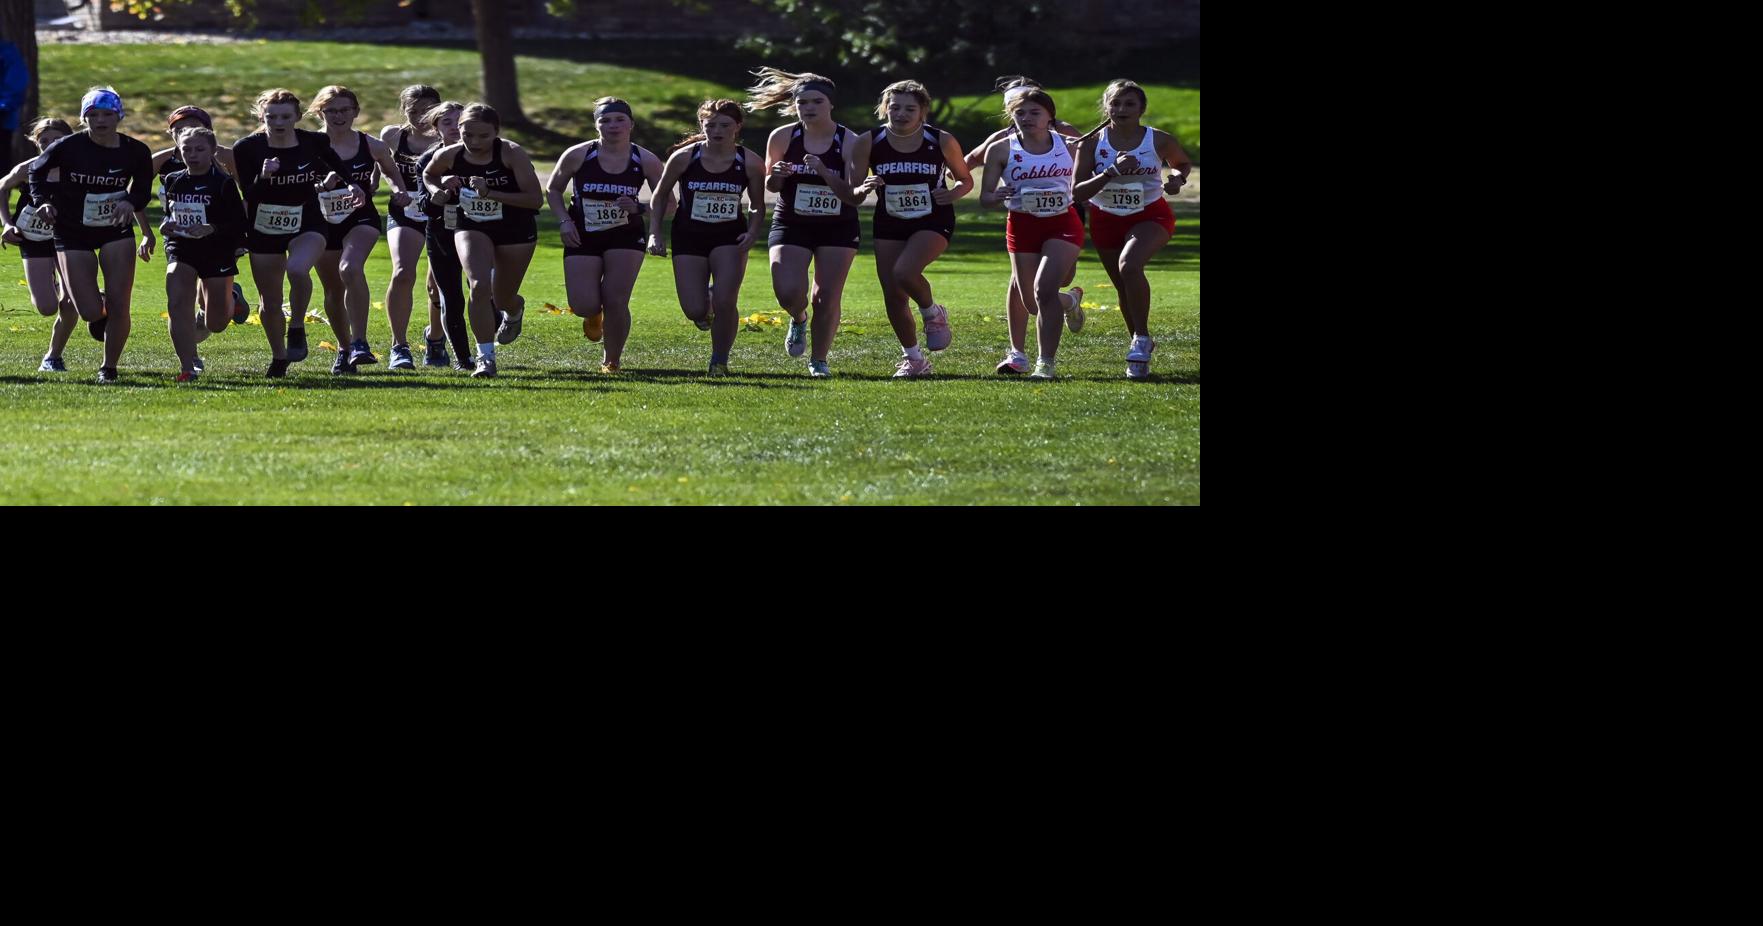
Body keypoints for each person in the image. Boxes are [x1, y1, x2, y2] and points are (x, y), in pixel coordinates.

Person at [27, 86, 157, 384]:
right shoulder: (68, 147)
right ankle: (97, 302)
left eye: (108, 114)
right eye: (93, 114)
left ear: (118, 116)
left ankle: (109, 367)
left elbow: (141, 189)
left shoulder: (135, 150)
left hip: (115, 230)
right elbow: (36, 171)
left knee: (120, 303)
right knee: (88, 311)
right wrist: (43, 201)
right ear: (84, 118)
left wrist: (129, 202)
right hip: (72, 231)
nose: (100, 120)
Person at [232, 87, 364, 377]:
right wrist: (264, 177)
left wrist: (352, 184)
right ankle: (279, 356)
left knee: (297, 268)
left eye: (284, 117)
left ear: (297, 117)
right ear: (261, 116)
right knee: (270, 301)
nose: (278, 123)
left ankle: (297, 326)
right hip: (264, 226)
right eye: (271, 117)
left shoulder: (314, 141)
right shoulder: (247, 148)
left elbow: (335, 163)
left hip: (308, 221)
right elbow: (249, 195)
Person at [844, 80, 972, 377]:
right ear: (884, 108)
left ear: (923, 111)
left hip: (933, 218)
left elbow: (965, 179)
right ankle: (914, 359)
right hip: (889, 220)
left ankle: (932, 313)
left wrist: (952, 194)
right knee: (893, 293)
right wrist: (865, 186)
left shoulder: (941, 140)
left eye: (909, 108)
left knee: (905, 272)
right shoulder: (868, 141)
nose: (901, 113)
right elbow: (854, 188)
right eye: (895, 107)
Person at [1073, 79, 1192, 379]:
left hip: (1150, 214)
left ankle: (1140, 339)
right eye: (1115, 103)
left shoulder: (1158, 139)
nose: (1121, 109)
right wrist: (1111, 171)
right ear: (1106, 106)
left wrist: (1177, 179)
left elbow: (1181, 163)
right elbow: (1078, 192)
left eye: (1129, 104)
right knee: (1124, 286)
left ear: (1141, 109)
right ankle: (1140, 344)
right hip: (1105, 217)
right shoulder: (1092, 143)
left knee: (1130, 265)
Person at [747, 68, 861, 378]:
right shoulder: (783, 136)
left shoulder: (849, 140)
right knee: (786, 291)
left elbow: (853, 195)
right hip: (792, 221)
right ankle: (798, 319)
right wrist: (778, 176)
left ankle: (819, 360)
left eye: (816, 102)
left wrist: (824, 171)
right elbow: (770, 185)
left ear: (830, 105)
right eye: (802, 102)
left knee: (825, 297)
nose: (808, 108)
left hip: (837, 225)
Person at [964, 77, 1083, 375]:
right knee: (1032, 300)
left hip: (1063, 222)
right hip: (1021, 225)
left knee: (1044, 290)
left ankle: (1045, 363)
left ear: (1049, 116)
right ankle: (1069, 302)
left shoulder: (1069, 140)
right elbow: (984, 195)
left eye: (1034, 112)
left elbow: (1094, 167)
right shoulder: (1001, 146)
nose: (1026, 117)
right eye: (1019, 112)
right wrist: (995, 195)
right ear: (1009, 113)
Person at [646, 98, 765, 376]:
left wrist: (753, 231)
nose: (717, 130)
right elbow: (660, 195)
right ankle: (706, 304)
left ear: (737, 126)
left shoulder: (749, 161)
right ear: (702, 125)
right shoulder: (685, 157)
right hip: (689, 236)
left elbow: (757, 203)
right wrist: (654, 233)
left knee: (726, 301)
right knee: (694, 310)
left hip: (729, 237)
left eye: (725, 125)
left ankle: (719, 361)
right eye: (710, 125)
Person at [423, 103, 541, 378]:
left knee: (502, 298)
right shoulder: (450, 154)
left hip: (515, 228)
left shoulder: (511, 153)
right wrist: (437, 189)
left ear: (496, 132)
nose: (474, 142)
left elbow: (535, 199)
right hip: (471, 224)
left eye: (483, 136)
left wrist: (491, 193)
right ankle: (485, 358)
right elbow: (429, 174)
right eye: (467, 135)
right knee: (478, 285)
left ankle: (514, 311)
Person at [546, 97, 663, 373]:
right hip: (582, 233)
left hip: (625, 235)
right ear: (596, 125)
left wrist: (639, 207)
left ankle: (612, 360)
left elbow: (668, 203)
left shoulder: (645, 159)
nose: (613, 125)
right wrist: (564, 221)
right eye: (605, 120)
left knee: (616, 298)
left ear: (631, 124)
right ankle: (592, 314)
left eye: (620, 119)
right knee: (583, 304)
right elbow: (552, 190)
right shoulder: (578, 154)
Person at [310, 85, 410, 371]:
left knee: (350, 269)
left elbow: (392, 171)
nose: (339, 116)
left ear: (355, 112)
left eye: (345, 110)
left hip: (360, 218)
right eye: (331, 110)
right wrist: (320, 186)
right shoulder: (308, 145)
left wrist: (399, 191)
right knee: (332, 288)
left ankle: (360, 342)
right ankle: (344, 348)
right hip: (322, 220)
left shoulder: (371, 145)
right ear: (320, 112)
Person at [157, 126, 245, 381]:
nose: (192, 155)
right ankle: (187, 367)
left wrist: (212, 228)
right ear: (179, 151)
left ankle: (232, 296)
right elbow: (171, 215)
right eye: (186, 149)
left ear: (212, 151)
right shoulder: (173, 179)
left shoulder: (223, 183)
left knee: (215, 324)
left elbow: (239, 224)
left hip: (217, 250)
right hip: (182, 248)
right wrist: (167, 226)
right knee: (177, 303)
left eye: (199, 149)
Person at [0, 118, 77, 372]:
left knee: (72, 301)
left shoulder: (78, 168)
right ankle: (53, 282)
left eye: (57, 140)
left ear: (68, 140)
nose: (50, 145)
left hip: (67, 238)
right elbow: (2, 187)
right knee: (46, 307)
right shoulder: (28, 168)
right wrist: (7, 223)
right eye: (44, 141)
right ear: (36, 143)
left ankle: (53, 356)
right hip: (32, 236)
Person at [379, 85, 448, 367]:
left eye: (427, 111)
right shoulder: (393, 136)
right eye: (414, 111)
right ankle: (400, 346)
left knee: (438, 283)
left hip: (441, 215)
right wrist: (391, 186)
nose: (420, 117)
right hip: (405, 212)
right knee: (403, 273)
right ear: (404, 111)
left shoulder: (450, 136)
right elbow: (382, 165)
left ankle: (435, 339)